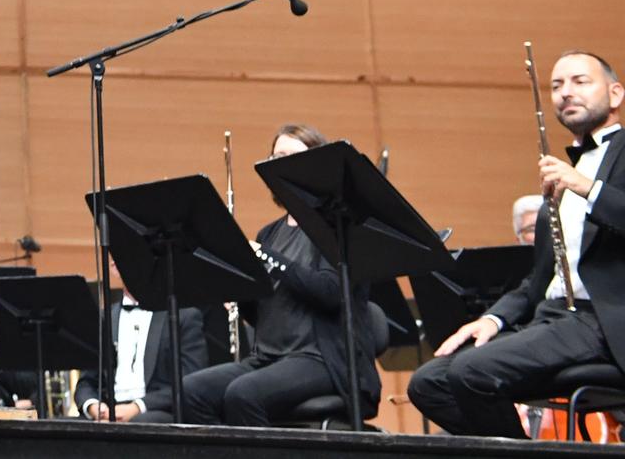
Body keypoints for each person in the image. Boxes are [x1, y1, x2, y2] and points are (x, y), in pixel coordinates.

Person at [408, 51, 624, 438]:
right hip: (553, 319)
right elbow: (538, 280)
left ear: (615, 94)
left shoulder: (584, 175)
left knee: (471, 372)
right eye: (556, 86)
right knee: (428, 383)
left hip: (601, 323)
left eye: (579, 81)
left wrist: (588, 188)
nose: (565, 93)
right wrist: (492, 319)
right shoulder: (564, 175)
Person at [181, 125, 385, 427]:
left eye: (291, 156)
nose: (281, 163)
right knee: (192, 391)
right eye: (276, 156)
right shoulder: (269, 233)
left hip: (322, 359)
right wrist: (240, 290)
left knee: (243, 394)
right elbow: (262, 314)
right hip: (269, 358)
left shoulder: (339, 228)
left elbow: (330, 294)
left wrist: (269, 258)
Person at [73, 260, 208, 424]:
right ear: (114, 266)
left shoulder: (184, 316)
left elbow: (190, 382)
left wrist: (137, 407)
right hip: (108, 411)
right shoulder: (103, 319)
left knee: (139, 423)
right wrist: (94, 407)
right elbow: (86, 382)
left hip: (156, 410)